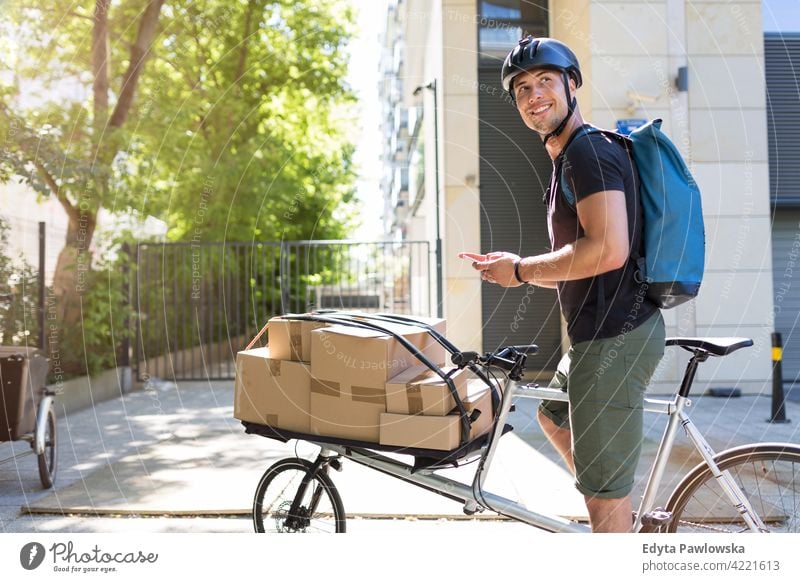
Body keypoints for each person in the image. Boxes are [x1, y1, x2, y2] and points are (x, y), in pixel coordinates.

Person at [459, 35, 665, 532]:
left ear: (571, 84)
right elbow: (589, 264)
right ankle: (615, 508)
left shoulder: (587, 152)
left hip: (614, 336)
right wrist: (515, 268)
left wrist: (523, 269)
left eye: (545, 81)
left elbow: (608, 249)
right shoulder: (567, 159)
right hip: (596, 334)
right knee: (553, 416)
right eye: (523, 88)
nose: (534, 96)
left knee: (604, 498)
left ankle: (612, 516)